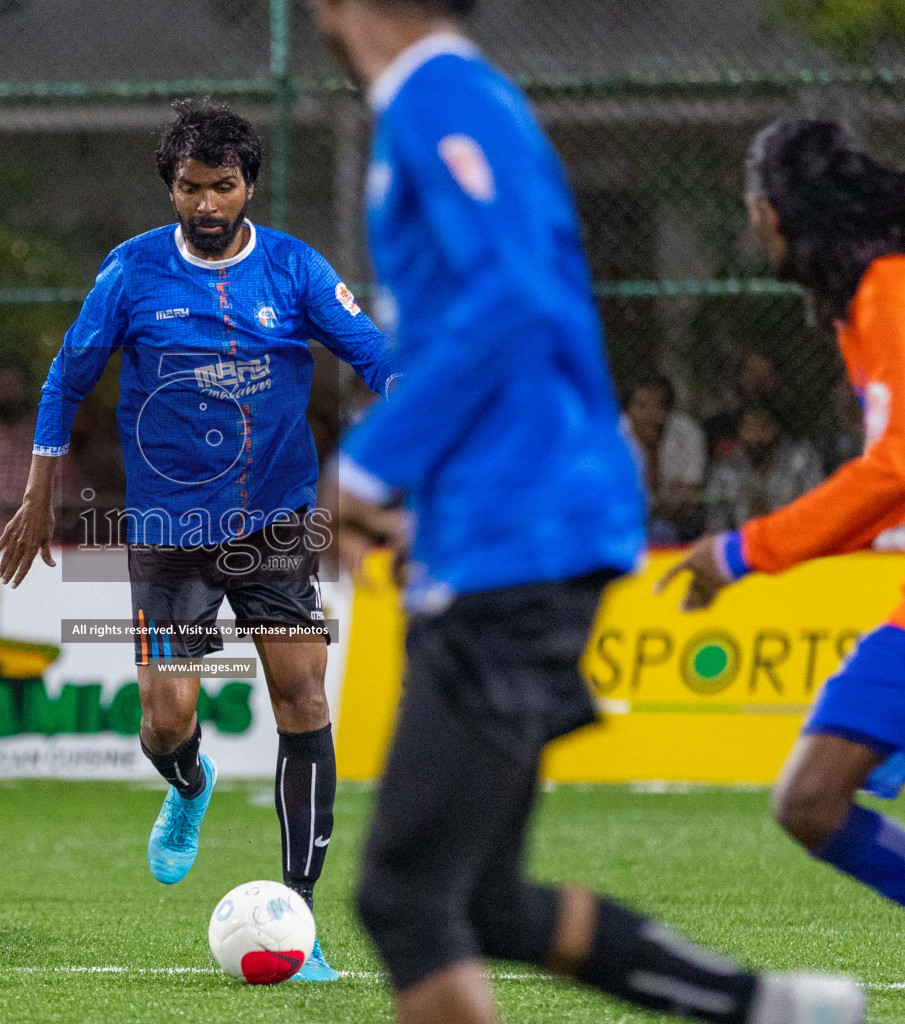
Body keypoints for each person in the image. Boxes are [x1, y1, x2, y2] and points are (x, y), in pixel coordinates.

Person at [309, 3, 863, 1023]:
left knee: (405, 895)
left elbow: (511, 302)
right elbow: (505, 327)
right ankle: (771, 1008)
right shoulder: (452, 98)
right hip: (505, 531)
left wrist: (367, 471)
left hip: (519, 545)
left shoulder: (441, 99)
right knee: (483, 900)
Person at [0, 100, 397, 982]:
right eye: (189, 188)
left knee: (303, 694)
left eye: (222, 186)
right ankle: (188, 785)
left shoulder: (294, 269)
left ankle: (301, 916)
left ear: (248, 185)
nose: (206, 204)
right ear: (170, 189)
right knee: (167, 715)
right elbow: (68, 376)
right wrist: (37, 495)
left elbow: (372, 353)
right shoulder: (132, 273)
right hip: (170, 531)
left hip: (278, 520)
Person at [663, 119, 905, 951]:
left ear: (772, 213)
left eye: (753, 207)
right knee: (810, 802)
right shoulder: (862, 309)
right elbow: (898, 484)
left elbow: (900, 467)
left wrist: (741, 551)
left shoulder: (903, 298)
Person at [0, 359, 74, 547]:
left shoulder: (47, 434)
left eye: (12, 385)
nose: (6, 393)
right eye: (0, 386)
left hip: (41, 545)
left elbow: (67, 494)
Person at [703, 404, 824, 533]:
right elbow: (716, 527)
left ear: (776, 428)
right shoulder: (726, 470)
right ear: (739, 432)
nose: (757, 436)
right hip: (743, 545)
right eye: (750, 428)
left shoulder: (800, 459)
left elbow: (818, 509)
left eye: (763, 427)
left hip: (795, 538)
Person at [620, 374, 707, 542]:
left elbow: (690, 491)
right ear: (628, 410)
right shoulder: (614, 437)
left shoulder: (687, 433)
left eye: (659, 407)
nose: (651, 416)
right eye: (642, 406)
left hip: (676, 521)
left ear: (670, 411)